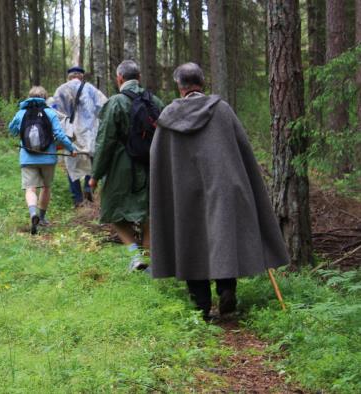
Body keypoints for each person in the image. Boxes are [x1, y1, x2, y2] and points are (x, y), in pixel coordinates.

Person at [150, 63, 290, 319]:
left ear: (179, 87)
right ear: (202, 83)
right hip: (221, 189)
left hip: (183, 194)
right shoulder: (221, 110)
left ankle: (200, 304)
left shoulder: (168, 115)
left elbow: (157, 158)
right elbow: (243, 150)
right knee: (222, 236)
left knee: (190, 240)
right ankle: (226, 290)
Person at [89, 60, 164, 271]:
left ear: (119, 78)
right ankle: (149, 265)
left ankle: (135, 255)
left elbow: (105, 141)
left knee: (112, 211)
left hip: (122, 167)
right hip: (152, 165)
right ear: (139, 78)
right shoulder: (155, 101)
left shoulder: (115, 102)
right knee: (149, 213)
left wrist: (95, 175)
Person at [9, 86, 78, 234]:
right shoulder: (50, 113)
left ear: (29, 97)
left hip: (27, 157)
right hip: (48, 157)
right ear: (45, 98)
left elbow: (12, 130)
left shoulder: (21, 113)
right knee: (46, 187)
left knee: (30, 188)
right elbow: (59, 135)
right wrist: (71, 149)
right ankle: (41, 217)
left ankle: (32, 213)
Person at [52, 66, 107, 208]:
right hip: (88, 132)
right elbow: (104, 106)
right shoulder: (90, 89)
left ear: (69, 76)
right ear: (81, 76)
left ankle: (77, 200)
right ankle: (89, 189)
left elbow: (54, 111)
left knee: (71, 165)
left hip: (70, 134)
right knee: (91, 161)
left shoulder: (61, 89)